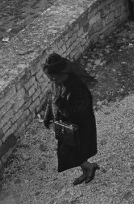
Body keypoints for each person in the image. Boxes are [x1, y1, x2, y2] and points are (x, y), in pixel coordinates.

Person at [42, 53, 99, 185]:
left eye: (54, 78)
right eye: (51, 78)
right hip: (65, 126)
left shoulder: (79, 88)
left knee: (75, 151)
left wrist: (61, 104)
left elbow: (79, 112)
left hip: (79, 126)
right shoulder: (57, 82)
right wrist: (48, 115)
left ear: (63, 74)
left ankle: (89, 168)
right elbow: (52, 98)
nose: (52, 81)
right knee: (68, 152)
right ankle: (87, 168)